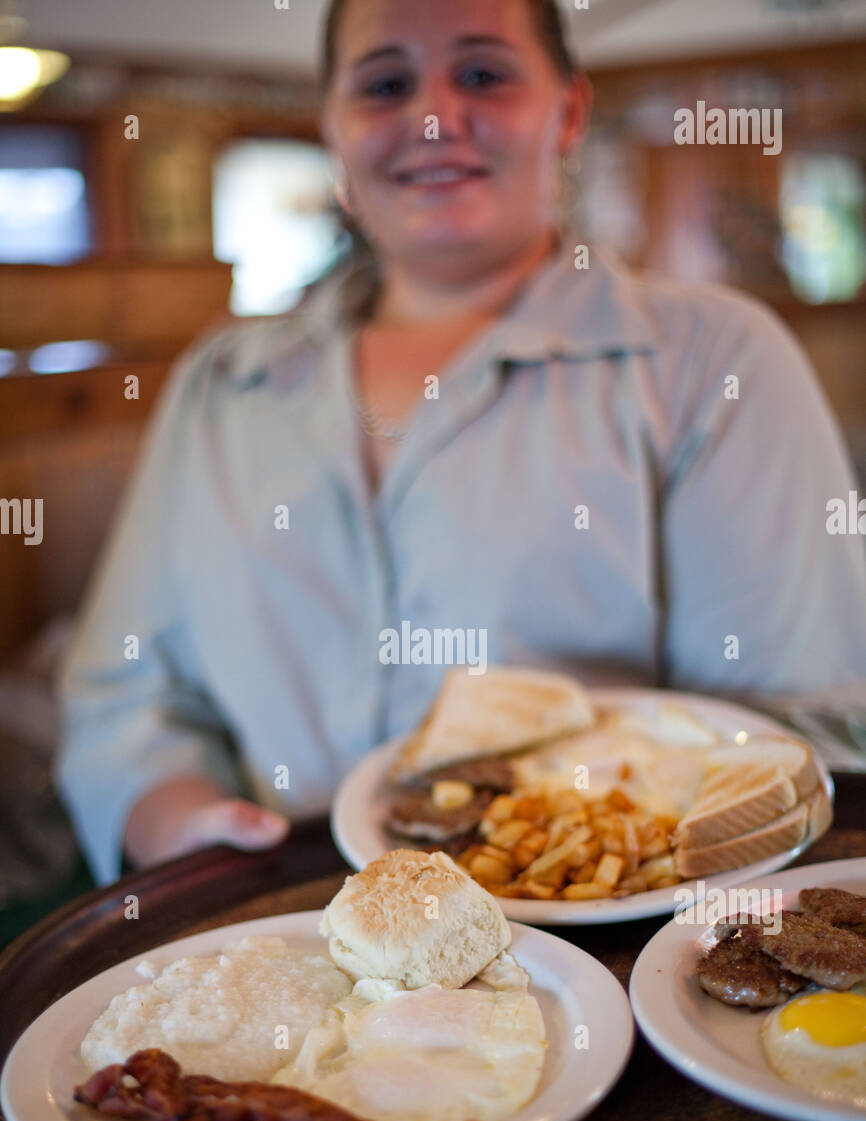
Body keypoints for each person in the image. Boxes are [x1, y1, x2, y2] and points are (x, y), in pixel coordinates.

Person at [56, 0, 866, 885]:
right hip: (279, 925)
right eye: (385, 84)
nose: (434, 118)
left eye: (483, 74)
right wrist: (176, 820)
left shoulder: (711, 360)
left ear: (567, 112)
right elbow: (123, 693)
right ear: (333, 126)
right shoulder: (219, 386)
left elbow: (796, 732)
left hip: (610, 945)